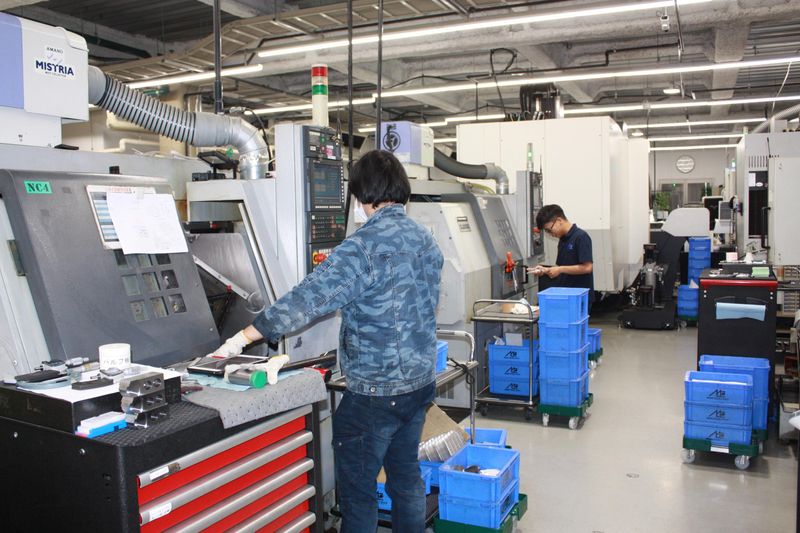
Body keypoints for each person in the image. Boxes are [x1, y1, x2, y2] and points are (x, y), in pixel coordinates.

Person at [211, 149, 444, 533]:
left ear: (363, 195)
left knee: (358, 493)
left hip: (374, 394)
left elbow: (308, 299)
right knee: (406, 480)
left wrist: (241, 338)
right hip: (419, 384)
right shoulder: (425, 240)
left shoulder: (362, 247)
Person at [528, 204, 594, 304]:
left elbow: (587, 268)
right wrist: (545, 271)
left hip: (578, 298)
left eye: (549, 230)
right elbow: (561, 268)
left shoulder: (581, 237)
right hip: (565, 295)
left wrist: (560, 269)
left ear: (559, 221)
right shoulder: (563, 239)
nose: (550, 234)